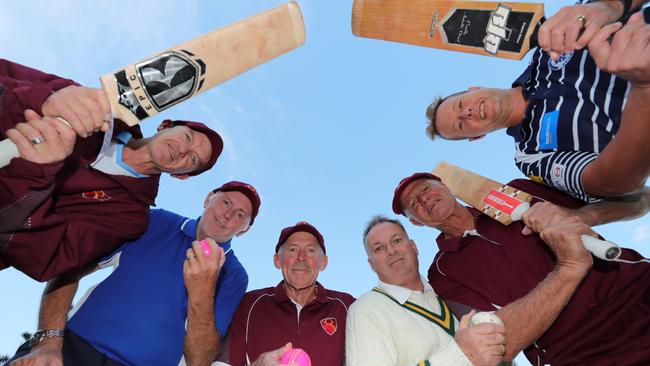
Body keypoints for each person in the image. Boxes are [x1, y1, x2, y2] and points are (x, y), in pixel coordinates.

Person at [0, 58, 224, 281]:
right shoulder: (94, 107)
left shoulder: (129, 216)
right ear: (164, 125)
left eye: (193, 159)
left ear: (180, 175)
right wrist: (41, 103)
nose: (183, 149)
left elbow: (46, 257)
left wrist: (32, 172)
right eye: (187, 137)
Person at [392, 172, 650, 364]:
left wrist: (579, 218)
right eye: (414, 204)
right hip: (580, 349)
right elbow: (496, 341)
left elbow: (641, 198)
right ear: (416, 222)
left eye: (426, 189)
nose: (424, 200)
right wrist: (568, 269)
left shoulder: (514, 192)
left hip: (637, 290)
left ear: (446, 186)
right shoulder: (443, 273)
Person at [4, 180, 261, 366]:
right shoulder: (155, 221)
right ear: (208, 199)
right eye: (226, 201)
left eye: (240, 215)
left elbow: (201, 359)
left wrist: (202, 291)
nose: (228, 214)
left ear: (244, 230)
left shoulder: (235, 275)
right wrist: (48, 340)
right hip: (69, 349)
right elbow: (71, 266)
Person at [425, 2, 650, 203]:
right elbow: (609, 183)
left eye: (461, 105)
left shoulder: (545, 48)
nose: (467, 113)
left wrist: (608, 7)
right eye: (461, 125)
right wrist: (643, 90)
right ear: (477, 136)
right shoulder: (530, 155)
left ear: (475, 88)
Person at [347, 215, 506, 366]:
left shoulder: (448, 292)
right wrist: (460, 354)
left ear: (414, 247)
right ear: (371, 264)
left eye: (396, 241)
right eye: (379, 248)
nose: (391, 251)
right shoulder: (367, 309)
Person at [224, 221, 355, 366]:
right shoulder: (249, 305)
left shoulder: (346, 306)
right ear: (277, 260)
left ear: (323, 262)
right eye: (293, 249)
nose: (301, 257)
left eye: (310, 250)